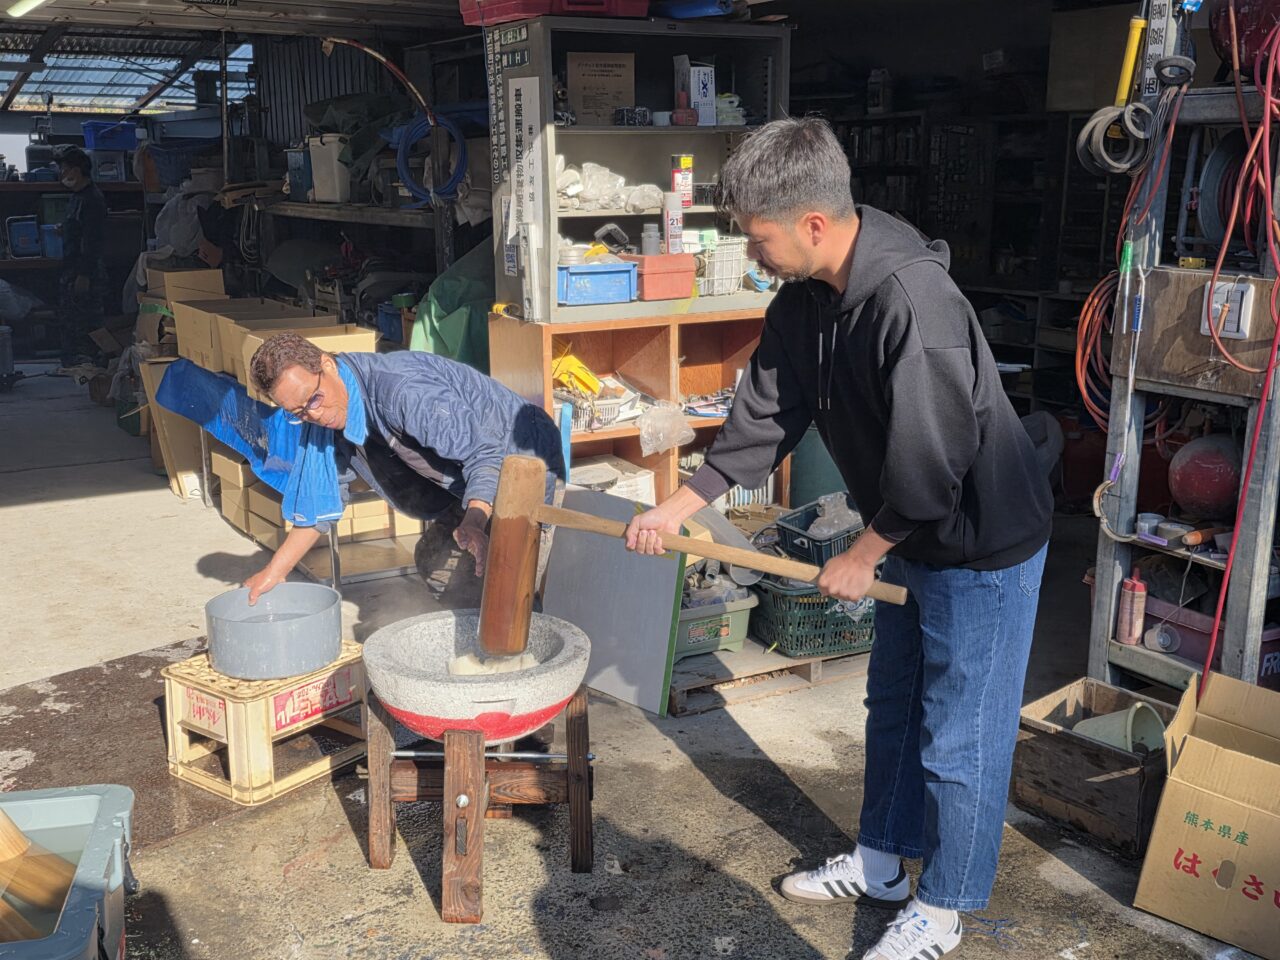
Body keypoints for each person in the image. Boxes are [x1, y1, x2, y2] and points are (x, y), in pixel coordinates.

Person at [625, 118, 1052, 960]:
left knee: (959, 736)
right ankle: (883, 864)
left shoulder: (914, 303)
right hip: (911, 537)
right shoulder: (805, 301)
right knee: (892, 707)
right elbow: (764, 416)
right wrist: (679, 506)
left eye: (759, 239)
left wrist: (862, 552)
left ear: (813, 223)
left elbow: (937, 460)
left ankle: (942, 909)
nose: (754, 256)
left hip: (982, 547)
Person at [242, 333, 565, 604]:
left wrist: (475, 521)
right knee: (436, 563)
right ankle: (477, 636)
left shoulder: (405, 393)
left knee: (511, 593)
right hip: (468, 475)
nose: (314, 415)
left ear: (327, 364)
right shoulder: (327, 415)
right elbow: (319, 502)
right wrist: (274, 571)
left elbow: (486, 453)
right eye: (297, 412)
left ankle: (526, 641)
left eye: (313, 399)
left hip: (523, 457)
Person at [53, 145, 108, 365]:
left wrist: (84, 274)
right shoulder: (77, 197)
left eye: (64, 169)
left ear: (76, 170)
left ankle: (89, 364)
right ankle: (74, 363)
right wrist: (65, 230)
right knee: (70, 318)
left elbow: (93, 240)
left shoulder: (92, 199)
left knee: (86, 321)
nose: (62, 174)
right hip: (72, 266)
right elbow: (77, 227)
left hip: (85, 269)